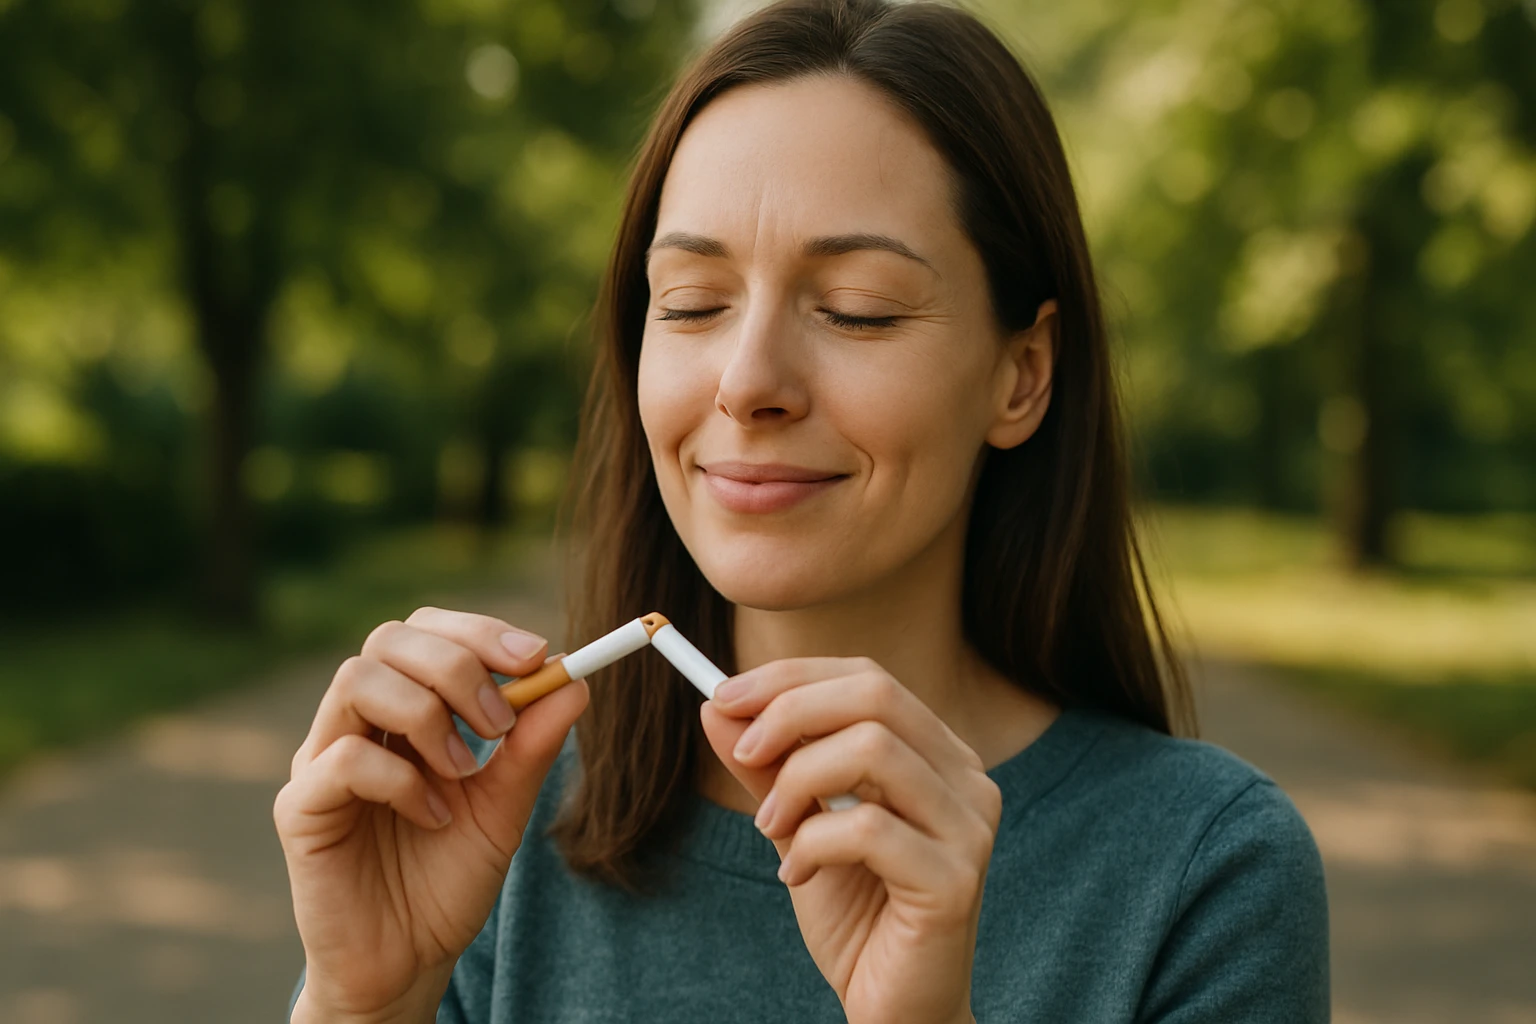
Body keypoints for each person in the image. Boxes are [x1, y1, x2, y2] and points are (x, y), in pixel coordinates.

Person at [275, 0, 1330, 1020]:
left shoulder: (1203, 868)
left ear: (1022, 374)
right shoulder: (484, 819)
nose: (748, 381)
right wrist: (363, 1003)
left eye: (855, 310)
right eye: (691, 303)